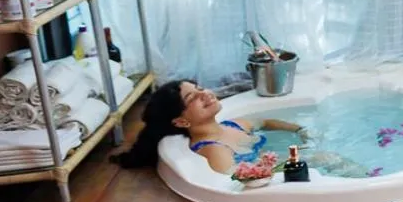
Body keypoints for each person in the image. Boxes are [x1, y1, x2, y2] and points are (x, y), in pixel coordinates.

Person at [112, 80, 305, 173]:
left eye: (199, 88)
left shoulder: (234, 125)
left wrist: (300, 131)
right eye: (192, 98)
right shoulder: (214, 150)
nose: (204, 94)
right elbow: (236, 180)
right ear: (181, 121)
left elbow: (265, 122)